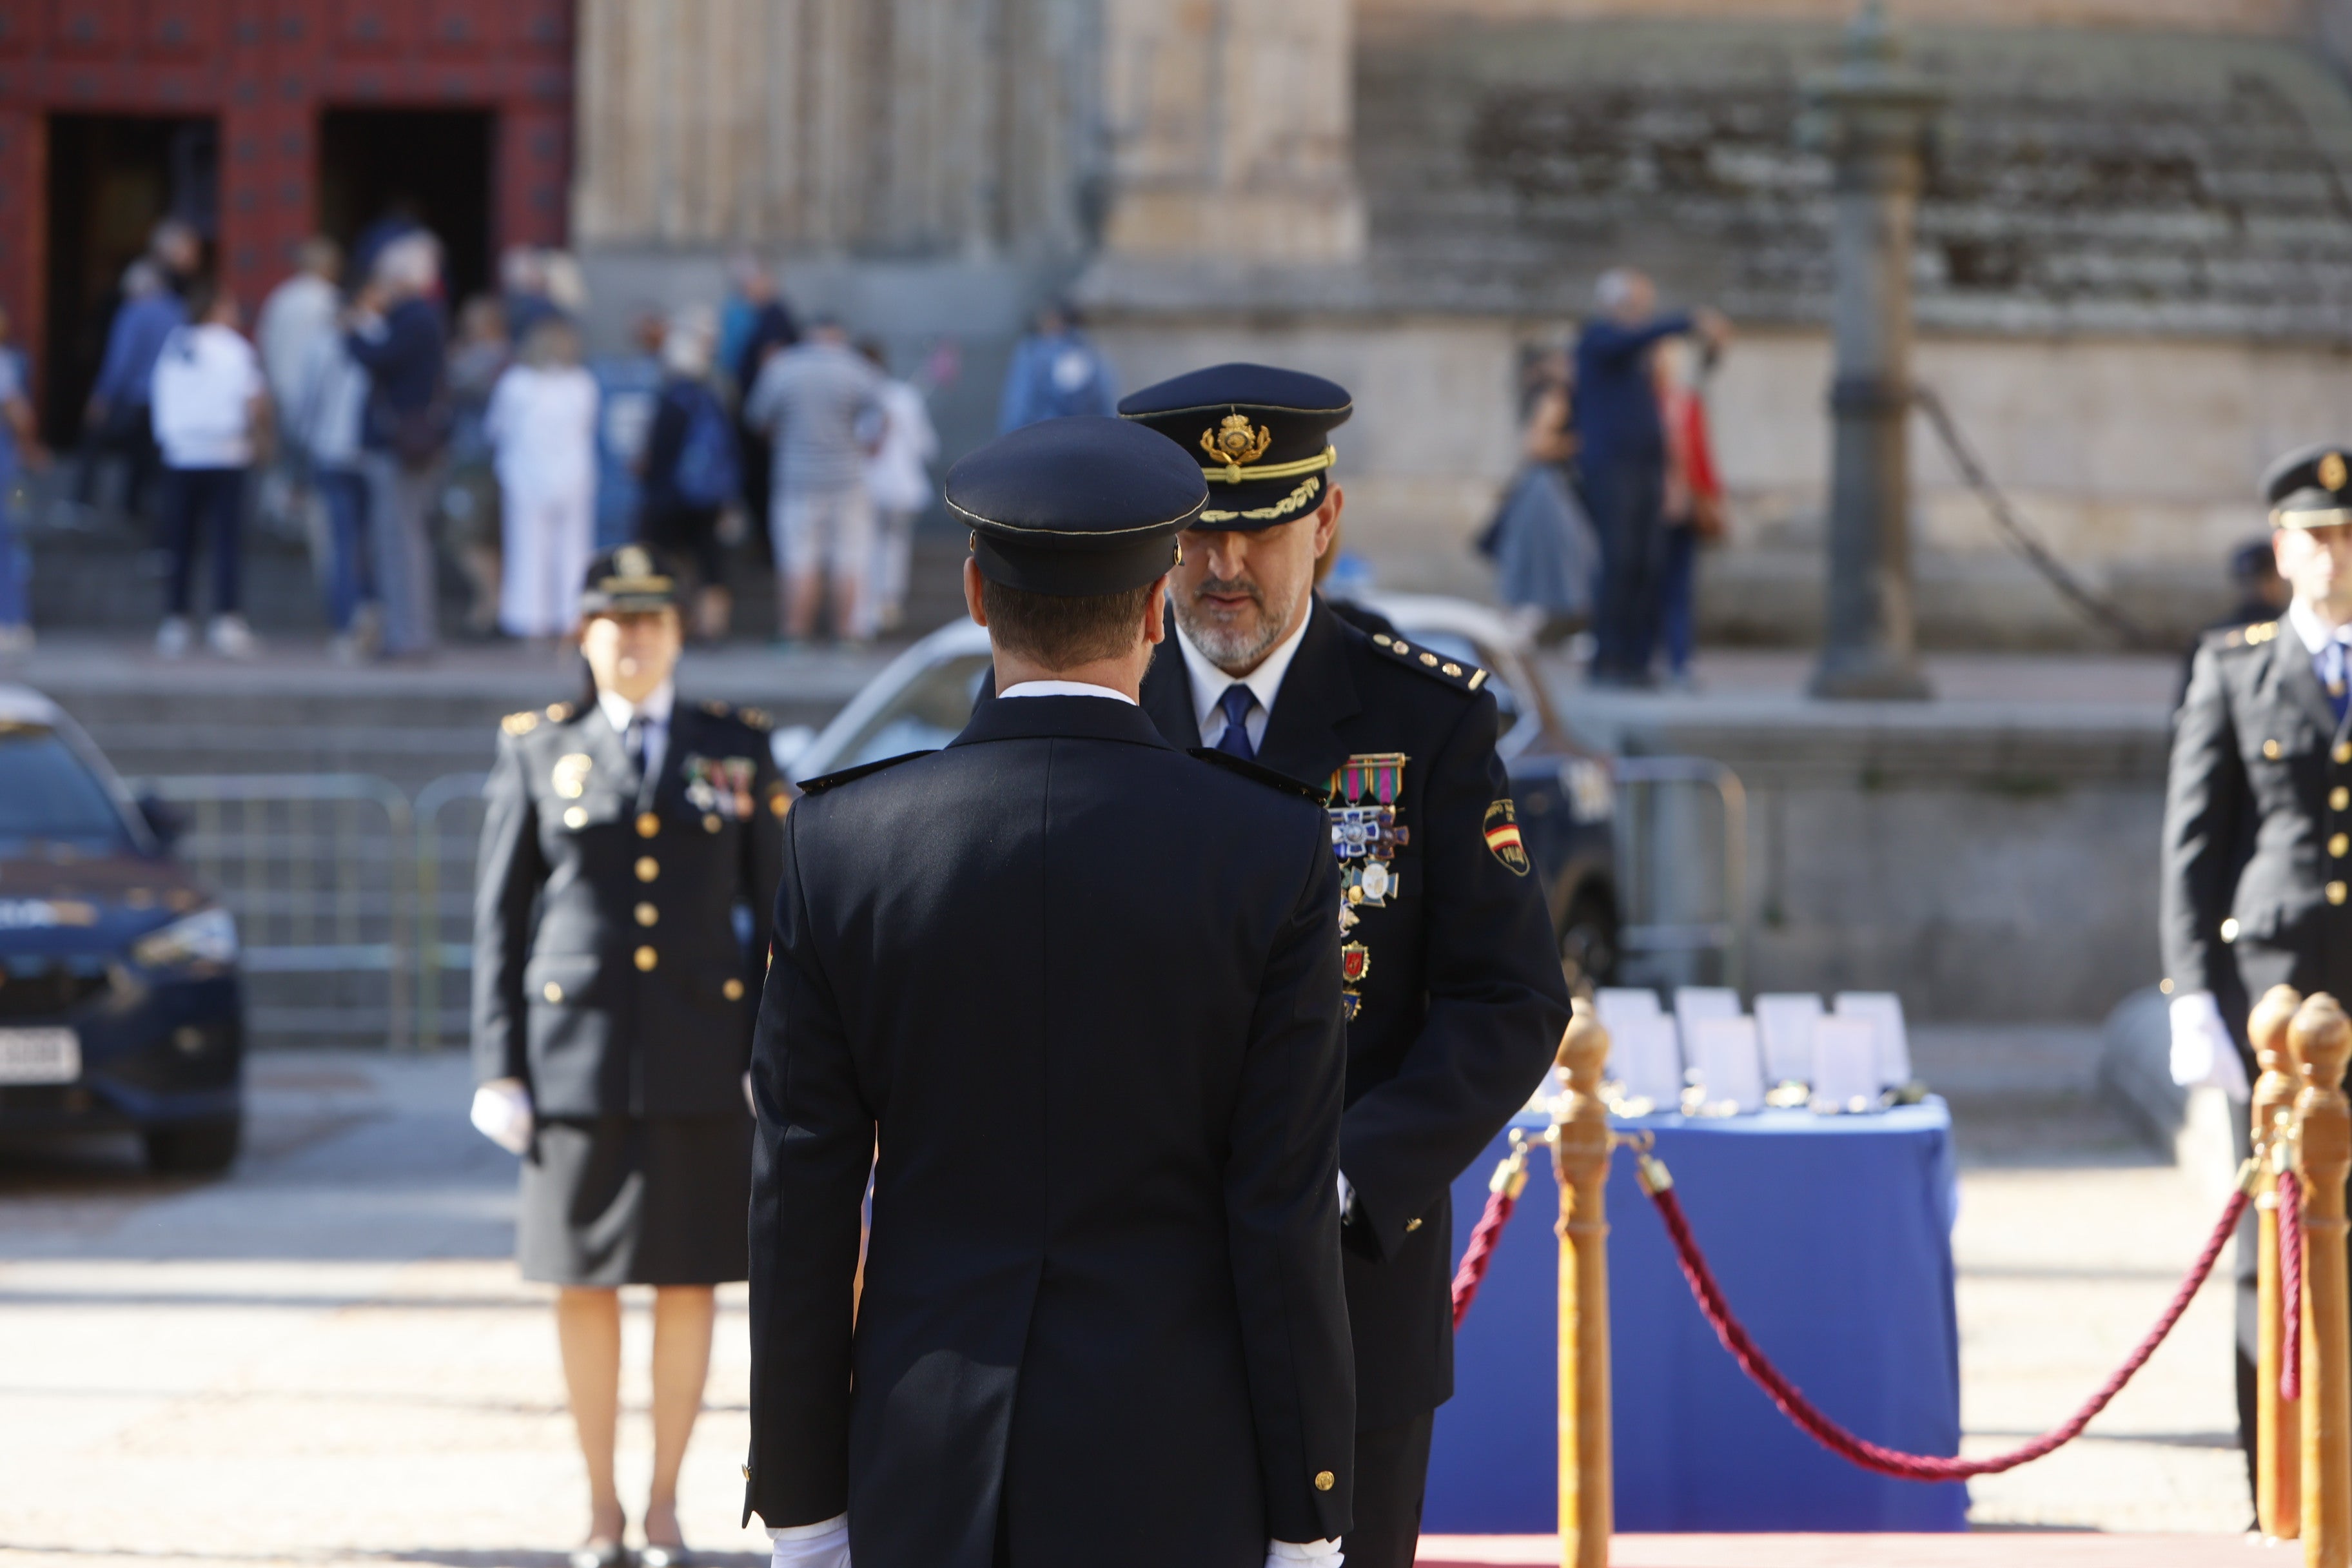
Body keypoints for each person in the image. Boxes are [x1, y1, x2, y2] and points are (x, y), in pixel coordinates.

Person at [747, 415, 1355, 1568]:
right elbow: (1279, 1209)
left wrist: (802, 1506)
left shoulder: (841, 842)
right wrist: (1307, 1511)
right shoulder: (1264, 848)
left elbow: (801, 1203)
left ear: (976, 596)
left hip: (920, 1450)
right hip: (1177, 1455)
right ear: (1150, 611)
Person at [1113, 363, 1575, 1568]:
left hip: (1345, 1287)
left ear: (1321, 525)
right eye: (1199, 533)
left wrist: (1345, 1175)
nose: (1224, 566)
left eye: (1258, 529)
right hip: (1125, 1281)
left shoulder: (1423, 721)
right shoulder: (1089, 702)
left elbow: (1510, 996)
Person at [471, 544, 785, 1568]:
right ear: (586, 635)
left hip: (705, 1057)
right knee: (584, 1283)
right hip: (574, 1060)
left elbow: (778, 917)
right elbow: (499, 923)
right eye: (617, 621)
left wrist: (772, 1051)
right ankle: (601, 1507)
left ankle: (662, 1507)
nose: (636, 639)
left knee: (691, 1282)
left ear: (681, 635)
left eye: (655, 620)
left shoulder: (735, 749)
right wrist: (497, 1066)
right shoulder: (535, 750)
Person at [2162, 442, 2352, 1508]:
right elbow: (2193, 844)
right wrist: (2191, 989)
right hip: (2270, 998)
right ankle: (2270, 1470)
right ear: (2280, 549)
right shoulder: (2233, 665)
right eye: (2310, 538)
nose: (2329, 557)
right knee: (2266, 1231)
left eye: (2343, 537)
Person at [1573, 269, 1728, 686]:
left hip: (1645, 469)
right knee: (1620, 562)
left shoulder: (1640, 357)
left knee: (1646, 564)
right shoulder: (1599, 340)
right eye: (1634, 305)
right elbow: (1631, 339)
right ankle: (1608, 660)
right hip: (1612, 467)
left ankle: (1636, 661)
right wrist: (1687, 320)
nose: (1641, 314)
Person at [742, 316, 882, 645]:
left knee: (798, 560)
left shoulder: (782, 367)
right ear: (838, 335)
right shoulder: (856, 367)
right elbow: (881, 412)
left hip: (796, 479)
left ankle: (794, 635)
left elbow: (757, 420)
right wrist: (869, 445)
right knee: (848, 560)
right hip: (848, 479)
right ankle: (846, 636)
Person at [149, 282, 270, 660]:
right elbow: (255, 400)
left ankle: (176, 620)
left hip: (181, 453)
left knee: (180, 541)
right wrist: (264, 438)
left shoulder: (174, 346)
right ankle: (226, 619)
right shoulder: (234, 348)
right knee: (225, 541)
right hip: (225, 453)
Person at [346, 231, 450, 660]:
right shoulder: (420, 317)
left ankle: (409, 636)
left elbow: (376, 358)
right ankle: (408, 632)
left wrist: (355, 328)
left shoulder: (414, 318)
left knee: (400, 542)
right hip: (408, 442)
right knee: (401, 542)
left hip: (402, 445)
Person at [485, 317, 600, 642]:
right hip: (572, 475)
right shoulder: (582, 383)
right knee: (573, 550)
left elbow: (496, 428)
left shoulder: (516, 383)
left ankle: (527, 618)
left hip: (526, 476)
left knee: (527, 549)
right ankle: (571, 616)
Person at [637, 308, 738, 642]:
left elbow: (658, 454)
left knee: (659, 562)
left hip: (669, 495)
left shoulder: (671, 400)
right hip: (708, 496)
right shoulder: (711, 397)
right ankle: (713, 625)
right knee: (710, 562)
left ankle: (668, 625)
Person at [288, 295, 378, 662]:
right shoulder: (380, 339)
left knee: (341, 545)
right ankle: (372, 610)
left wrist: (295, 462)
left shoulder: (320, 346)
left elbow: (304, 406)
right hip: (369, 454)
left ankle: (348, 624)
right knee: (368, 542)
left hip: (331, 451)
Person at [83, 258, 184, 521]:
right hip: (169, 398)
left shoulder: (133, 312)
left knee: (103, 443)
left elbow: (120, 360)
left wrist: (102, 395)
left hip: (136, 397)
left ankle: (85, 501)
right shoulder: (178, 310)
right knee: (151, 457)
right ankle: (143, 510)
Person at [1653, 335, 1726, 689]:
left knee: (1679, 587)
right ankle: (1652, 657)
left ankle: (1680, 659)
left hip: (1683, 507)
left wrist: (1711, 499)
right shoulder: (1643, 402)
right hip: (1648, 508)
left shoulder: (1685, 404)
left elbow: (1701, 456)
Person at [443, 295, 513, 638]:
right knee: (488, 537)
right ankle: (487, 607)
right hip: (494, 462)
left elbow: (451, 382)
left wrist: (452, 359)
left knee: (464, 535)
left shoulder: (490, 359)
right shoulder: (511, 358)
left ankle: (491, 603)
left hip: (476, 461)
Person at [858, 338, 937, 636]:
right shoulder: (905, 397)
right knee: (895, 544)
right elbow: (926, 446)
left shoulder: (856, 397)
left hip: (864, 486)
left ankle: (867, 612)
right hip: (902, 486)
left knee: (866, 547)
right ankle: (889, 602)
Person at [723, 256, 799, 561]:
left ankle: (769, 547)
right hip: (755, 418)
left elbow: (773, 366)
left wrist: (766, 418)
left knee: (761, 483)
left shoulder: (774, 315)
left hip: (763, 423)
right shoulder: (755, 315)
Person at [0, 304, 46, 659]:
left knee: (13, 536)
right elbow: (20, 415)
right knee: (13, 537)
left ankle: (14, 619)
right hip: (11, 471)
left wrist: (29, 449)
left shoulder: (8, 363)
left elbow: (20, 416)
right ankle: (13, 621)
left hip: (10, 472)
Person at [995, 300, 1116, 431]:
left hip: (1054, 437)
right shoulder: (1032, 351)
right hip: (1067, 436)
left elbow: (1018, 407)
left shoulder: (1034, 352)